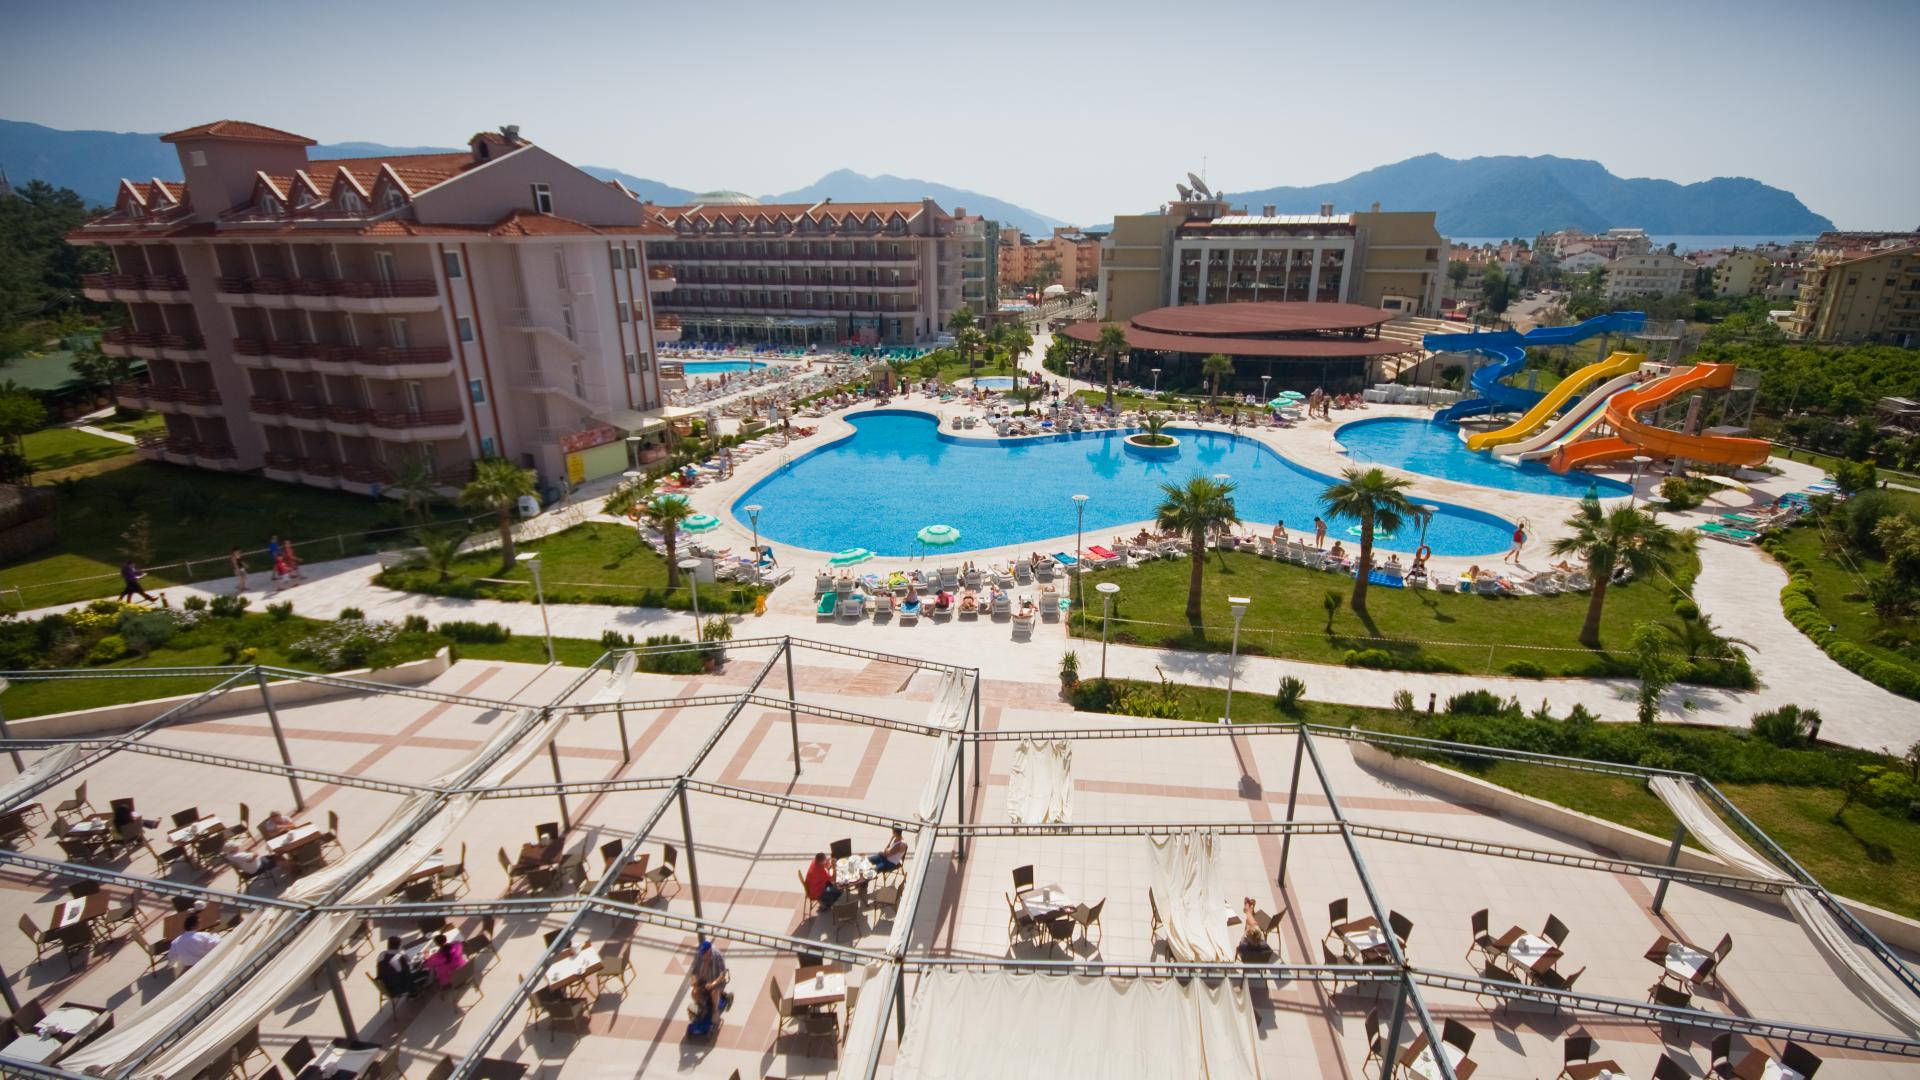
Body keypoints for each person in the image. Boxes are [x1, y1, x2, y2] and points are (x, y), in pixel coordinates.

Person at [685, 938, 732, 1037]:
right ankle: (701, 1007)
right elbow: (694, 971)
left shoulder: (717, 957)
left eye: (704, 953)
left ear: (709, 951)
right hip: (704, 981)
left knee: (714, 992)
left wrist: (713, 984)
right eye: (702, 953)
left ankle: (715, 1011)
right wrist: (694, 981)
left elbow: (722, 975)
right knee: (694, 992)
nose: (703, 955)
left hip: (717, 981)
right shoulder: (699, 955)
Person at [1237, 898, 1274, 962]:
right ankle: (1249, 912)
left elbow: (1240, 947)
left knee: (1250, 926)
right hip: (1261, 960)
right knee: (1254, 927)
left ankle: (1248, 911)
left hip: (1248, 959)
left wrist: (1246, 931)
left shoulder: (1243, 947)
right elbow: (1257, 936)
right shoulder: (1266, 949)